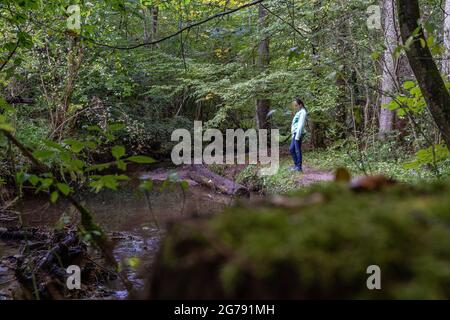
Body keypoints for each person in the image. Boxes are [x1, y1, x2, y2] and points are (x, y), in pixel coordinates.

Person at [289, 98, 307, 172]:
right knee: (291, 149)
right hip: (295, 133)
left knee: (297, 150)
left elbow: (301, 125)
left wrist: (297, 136)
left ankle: (298, 167)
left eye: (296, 105)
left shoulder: (303, 112)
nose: (295, 107)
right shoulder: (299, 112)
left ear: (300, 105)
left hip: (298, 133)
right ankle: (296, 166)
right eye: (294, 105)